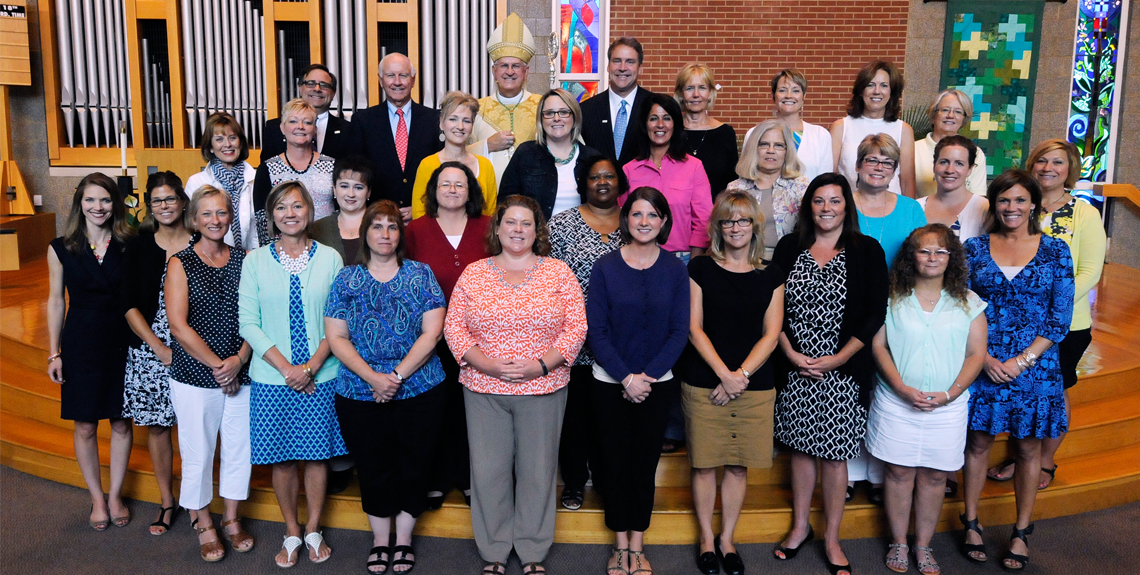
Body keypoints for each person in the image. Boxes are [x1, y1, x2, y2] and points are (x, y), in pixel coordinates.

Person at [443, 195, 587, 575]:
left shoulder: (558, 273)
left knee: (538, 472)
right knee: (488, 472)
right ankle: (493, 550)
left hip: (544, 387)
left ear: (536, 230)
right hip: (483, 388)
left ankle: (532, 550)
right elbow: (454, 327)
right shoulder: (475, 273)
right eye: (511, 222)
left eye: (526, 223)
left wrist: (540, 365)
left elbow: (576, 328)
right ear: (498, 228)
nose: (518, 230)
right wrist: (488, 364)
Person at [770, 173, 888, 575]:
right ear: (809, 207)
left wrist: (840, 358)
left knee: (835, 459)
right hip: (796, 367)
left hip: (843, 370)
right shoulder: (790, 247)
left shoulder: (865, 249)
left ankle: (832, 536)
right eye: (818, 201)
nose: (826, 208)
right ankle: (801, 526)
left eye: (834, 201)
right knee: (801, 450)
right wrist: (789, 351)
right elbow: (772, 307)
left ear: (845, 207)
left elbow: (875, 311)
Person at [325, 200, 448, 575]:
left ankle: (405, 539)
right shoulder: (348, 278)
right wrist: (373, 378)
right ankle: (381, 540)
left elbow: (432, 333)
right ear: (365, 233)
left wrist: (394, 376)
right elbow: (336, 336)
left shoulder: (421, 274)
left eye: (392, 227)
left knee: (414, 463)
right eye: (376, 226)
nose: (385, 234)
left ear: (400, 234)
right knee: (373, 465)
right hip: (359, 391)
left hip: (419, 388)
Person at [961, 170, 1074, 571]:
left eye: (1020, 200)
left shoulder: (1056, 251)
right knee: (977, 443)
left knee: (1028, 448)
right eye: (1004, 200)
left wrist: (1019, 361)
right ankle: (971, 522)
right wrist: (985, 359)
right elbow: (960, 307)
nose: (1012, 208)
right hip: (982, 362)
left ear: (1034, 206)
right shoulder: (973, 249)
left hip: (1036, 367)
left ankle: (1021, 530)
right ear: (995, 204)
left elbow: (1059, 319)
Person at [866, 225, 988, 575]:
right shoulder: (891, 298)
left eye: (941, 251)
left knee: (936, 477)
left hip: (948, 406)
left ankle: (923, 545)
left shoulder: (969, 301)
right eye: (924, 251)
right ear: (911, 257)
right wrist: (902, 388)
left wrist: (950, 394)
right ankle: (898, 543)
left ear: (952, 258)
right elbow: (878, 346)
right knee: (899, 472)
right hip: (896, 401)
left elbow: (976, 355)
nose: (932, 258)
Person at [238, 181, 347, 568]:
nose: (290, 213)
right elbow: (248, 323)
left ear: (310, 211)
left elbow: (337, 320)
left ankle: (314, 528)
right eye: (281, 207)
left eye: (297, 206)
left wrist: (312, 366)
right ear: (271, 216)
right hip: (272, 378)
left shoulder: (331, 258)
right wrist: (287, 369)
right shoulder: (255, 261)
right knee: (282, 459)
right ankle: (291, 529)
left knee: (317, 457)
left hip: (322, 373)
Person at [987, 140, 1106, 491]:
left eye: (1058, 162)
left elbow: (1089, 270)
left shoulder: (1084, 213)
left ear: (1070, 168)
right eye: (1041, 161)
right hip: (1011, 323)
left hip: (1066, 323)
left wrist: (1050, 309)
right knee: (1021, 392)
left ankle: (1045, 461)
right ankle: (1020, 456)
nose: (1048, 168)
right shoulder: (1020, 204)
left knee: (1055, 391)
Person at [587, 186, 690, 575]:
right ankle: (619, 547)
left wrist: (646, 377)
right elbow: (596, 331)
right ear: (625, 219)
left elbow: (679, 331)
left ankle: (638, 544)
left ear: (663, 222)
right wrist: (627, 377)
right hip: (610, 382)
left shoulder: (675, 269)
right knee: (614, 464)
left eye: (652, 215)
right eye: (637, 214)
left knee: (644, 464)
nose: (644, 222)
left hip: (657, 383)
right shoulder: (605, 267)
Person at [681, 191, 784, 575]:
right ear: (717, 227)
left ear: (755, 226)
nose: (735, 227)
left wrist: (739, 376)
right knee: (705, 465)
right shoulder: (701, 268)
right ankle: (707, 538)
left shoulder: (771, 274)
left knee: (739, 467)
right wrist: (724, 375)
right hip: (705, 382)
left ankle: (727, 539)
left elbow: (771, 334)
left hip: (753, 386)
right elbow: (693, 328)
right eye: (727, 221)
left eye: (742, 220)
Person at [165, 185, 254, 562]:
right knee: (198, 452)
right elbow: (178, 326)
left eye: (221, 213)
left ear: (230, 216)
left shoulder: (246, 259)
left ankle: (231, 518)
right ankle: (202, 521)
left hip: (242, 369)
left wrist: (239, 359)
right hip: (194, 375)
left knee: (239, 450)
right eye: (207, 214)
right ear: (194, 219)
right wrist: (220, 366)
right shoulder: (179, 262)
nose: (215, 220)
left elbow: (256, 318)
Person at [46, 173, 136, 532]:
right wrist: (54, 353)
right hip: (81, 340)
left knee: (120, 420)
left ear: (115, 204)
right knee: (84, 424)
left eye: (105, 200)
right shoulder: (60, 247)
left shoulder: (129, 243)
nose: (97, 207)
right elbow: (55, 301)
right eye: (90, 200)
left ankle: (115, 495)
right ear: (79, 204)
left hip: (122, 340)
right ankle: (97, 497)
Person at [405, 161, 490, 509]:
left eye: (460, 184)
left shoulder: (488, 227)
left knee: (473, 412)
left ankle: (470, 479)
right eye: (445, 184)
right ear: (433, 190)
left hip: (480, 339)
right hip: (431, 339)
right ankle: (437, 478)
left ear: (471, 190)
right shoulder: (416, 230)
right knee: (435, 411)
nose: (452, 189)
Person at [548, 155, 628, 511]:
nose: (602, 182)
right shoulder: (562, 224)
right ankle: (575, 482)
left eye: (609, 176)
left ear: (619, 182)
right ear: (585, 183)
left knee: (610, 417)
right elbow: (546, 277)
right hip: (573, 338)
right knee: (576, 416)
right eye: (594, 177)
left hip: (618, 339)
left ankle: (610, 480)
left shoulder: (633, 222)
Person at [120, 171, 192, 536]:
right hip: (152, 350)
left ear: (182, 201)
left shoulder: (201, 239)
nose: (165, 206)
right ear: (150, 205)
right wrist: (160, 348)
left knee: (195, 429)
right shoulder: (139, 245)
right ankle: (167, 501)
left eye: (170, 199)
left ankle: (197, 503)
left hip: (196, 347)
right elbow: (129, 305)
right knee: (160, 428)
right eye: (157, 200)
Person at [347, 52, 444, 216]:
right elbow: (358, 174)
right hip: (377, 218)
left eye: (403, 75)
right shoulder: (362, 121)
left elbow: (442, 171)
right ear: (380, 80)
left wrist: (422, 208)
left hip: (424, 217)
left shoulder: (435, 120)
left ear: (413, 80)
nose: (397, 82)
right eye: (391, 75)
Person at [622, 92, 713, 261]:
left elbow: (703, 218)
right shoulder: (629, 170)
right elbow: (622, 218)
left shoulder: (694, 167)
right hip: (638, 258)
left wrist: (695, 260)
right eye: (653, 118)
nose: (660, 125)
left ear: (675, 124)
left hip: (683, 258)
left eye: (667, 118)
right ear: (644, 124)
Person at [500, 88, 602, 219]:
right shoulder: (525, 154)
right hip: (534, 237)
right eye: (549, 113)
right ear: (541, 119)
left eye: (564, 112)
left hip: (580, 239)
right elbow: (505, 203)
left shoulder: (592, 158)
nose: (556, 118)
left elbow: (603, 210)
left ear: (574, 116)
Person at [468, 12, 544, 185]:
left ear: (526, 72)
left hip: (532, 192)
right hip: (487, 195)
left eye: (516, 66)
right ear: (494, 71)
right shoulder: (476, 109)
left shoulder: (542, 106)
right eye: (504, 66)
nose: (509, 71)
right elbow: (456, 153)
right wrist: (487, 145)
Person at [252, 99, 337, 243]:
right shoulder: (267, 169)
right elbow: (263, 220)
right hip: (283, 250)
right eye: (293, 121)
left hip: (327, 245)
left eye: (307, 122)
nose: (300, 127)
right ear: (282, 128)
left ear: (315, 129)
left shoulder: (332, 165)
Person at [725, 119, 809, 260]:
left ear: (786, 151)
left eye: (778, 145)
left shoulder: (801, 186)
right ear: (754, 148)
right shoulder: (736, 188)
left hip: (789, 261)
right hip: (744, 261)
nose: (771, 150)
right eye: (764, 144)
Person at [832, 60, 917, 198]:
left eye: (884, 85)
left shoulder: (904, 130)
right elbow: (832, 175)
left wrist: (910, 215)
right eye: (870, 85)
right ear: (860, 90)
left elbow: (907, 182)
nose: (877, 91)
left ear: (892, 92)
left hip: (891, 210)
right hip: (851, 208)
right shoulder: (841, 127)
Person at [411, 91, 497, 219]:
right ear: (441, 123)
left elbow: (490, 216)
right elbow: (419, 216)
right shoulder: (427, 165)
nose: (460, 126)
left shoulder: (485, 166)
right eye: (453, 119)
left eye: (466, 121)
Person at [185, 112, 259, 251]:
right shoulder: (196, 182)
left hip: (252, 258)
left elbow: (260, 229)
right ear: (210, 147)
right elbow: (192, 229)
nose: (228, 145)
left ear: (240, 143)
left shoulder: (256, 179)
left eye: (232, 138)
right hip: (210, 259)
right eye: (219, 139)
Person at [853, 133, 927, 267]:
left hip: (900, 287)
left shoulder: (911, 209)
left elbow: (923, 257)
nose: (879, 168)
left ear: (893, 171)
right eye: (872, 160)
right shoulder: (841, 206)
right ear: (858, 165)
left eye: (887, 163)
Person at [581, 37, 654, 167]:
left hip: (643, 186)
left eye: (630, 62)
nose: (622, 68)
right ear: (608, 66)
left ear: (639, 68)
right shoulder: (585, 110)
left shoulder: (654, 106)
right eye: (617, 61)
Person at [260, 64, 351, 162]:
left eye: (324, 85)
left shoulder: (348, 129)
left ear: (333, 93)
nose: (317, 89)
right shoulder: (274, 128)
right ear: (300, 88)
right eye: (311, 83)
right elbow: (267, 168)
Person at [675, 64, 738, 199]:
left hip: (715, 214)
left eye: (702, 88)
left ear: (710, 93)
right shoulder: (671, 131)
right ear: (680, 94)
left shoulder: (725, 133)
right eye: (690, 88)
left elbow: (732, 181)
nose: (696, 94)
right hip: (677, 213)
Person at [914, 89, 987, 198]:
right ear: (934, 115)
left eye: (958, 111)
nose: (950, 115)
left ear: (963, 119)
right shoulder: (912, 150)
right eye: (945, 110)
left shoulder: (975, 153)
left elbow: (978, 199)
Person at [917, 135, 989, 242]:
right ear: (934, 166)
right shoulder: (916, 207)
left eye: (959, 163)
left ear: (970, 169)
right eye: (944, 162)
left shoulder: (986, 209)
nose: (950, 170)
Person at [768, 69, 833, 181]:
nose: (789, 95)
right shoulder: (756, 133)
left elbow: (825, 182)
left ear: (804, 96)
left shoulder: (820, 135)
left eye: (795, 91)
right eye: (782, 90)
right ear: (774, 95)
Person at [310, 156, 374, 266]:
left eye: (358, 187)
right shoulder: (317, 229)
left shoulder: (382, 226)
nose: (351, 194)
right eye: (344, 186)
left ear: (368, 192)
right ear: (334, 189)